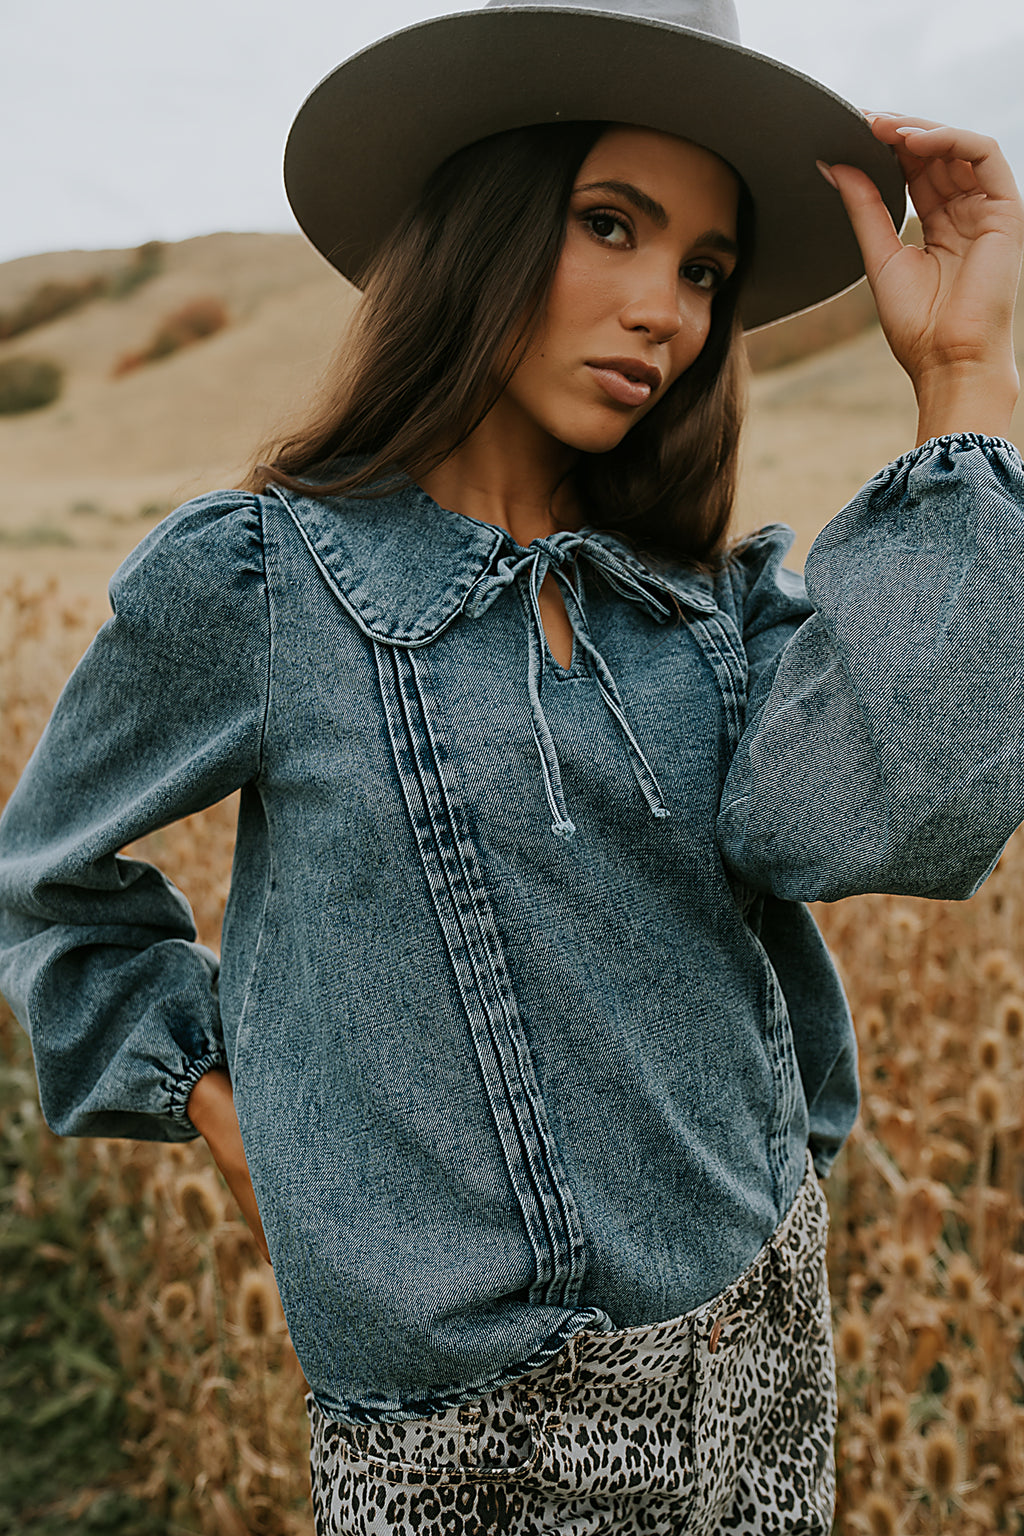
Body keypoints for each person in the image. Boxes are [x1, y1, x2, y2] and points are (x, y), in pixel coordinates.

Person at [1, 0, 1023, 1529]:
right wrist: (233, 1119)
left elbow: (897, 817)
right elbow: (47, 891)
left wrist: (965, 379)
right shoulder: (262, 583)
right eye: (610, 224)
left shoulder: (717, 609)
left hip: (762, 1356)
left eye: (703, 269)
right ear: (483, 224)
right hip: (462, 1426)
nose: (663, 312)